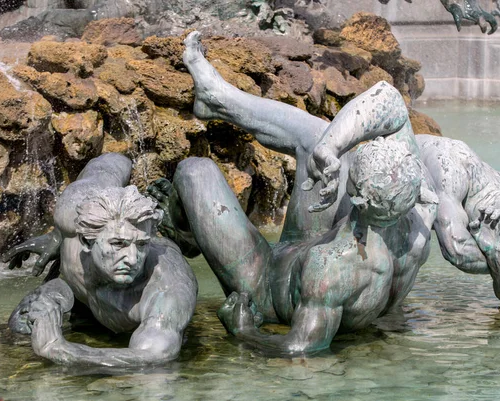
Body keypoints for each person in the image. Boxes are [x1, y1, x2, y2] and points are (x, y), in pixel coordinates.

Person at [144, 31, 441, 355]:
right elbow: (389, 98)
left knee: (195, 171)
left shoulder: (331, 268)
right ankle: (216, 97)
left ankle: (181, 231)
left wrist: (243, 331)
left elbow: (300, 349)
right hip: (326, 245)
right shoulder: (421, 211)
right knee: (318, 139)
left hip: (267, 286)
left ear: (357, 195)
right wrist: (330, 148)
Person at [4, 154, 198, 367]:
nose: (133, 258)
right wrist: (57, 236)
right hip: (80, 298)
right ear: (87, 241)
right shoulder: (71, 210)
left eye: (141, 244)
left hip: (131, 321)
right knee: (20, 327)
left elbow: (154, 357)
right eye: (118, 244)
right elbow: (112, 162)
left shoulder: (168, 288)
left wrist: (58, 348)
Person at [415, 135, 500, 305]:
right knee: (415, 248)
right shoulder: (451, 176)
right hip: (396, 165)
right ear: (492, 219)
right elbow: (456, 252)